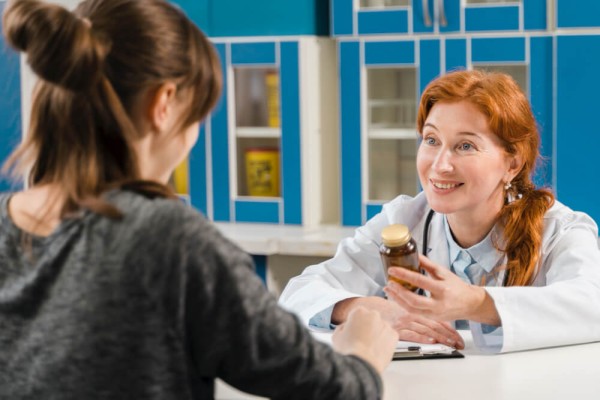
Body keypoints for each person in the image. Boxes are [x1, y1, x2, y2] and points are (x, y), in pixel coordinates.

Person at [0, 0, 398, 398]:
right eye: (196, 117)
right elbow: (335, 389)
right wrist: (362, 353)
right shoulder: (169, 239)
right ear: (164, 103)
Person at [279, 69, 600, 354]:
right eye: (431, 140)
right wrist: (366, 307)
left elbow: (591, 306)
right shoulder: (404, 219)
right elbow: (298, 292)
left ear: (512, 163)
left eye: (465, 146)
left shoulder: (561, 230)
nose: (440, 165)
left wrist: (477, 303)